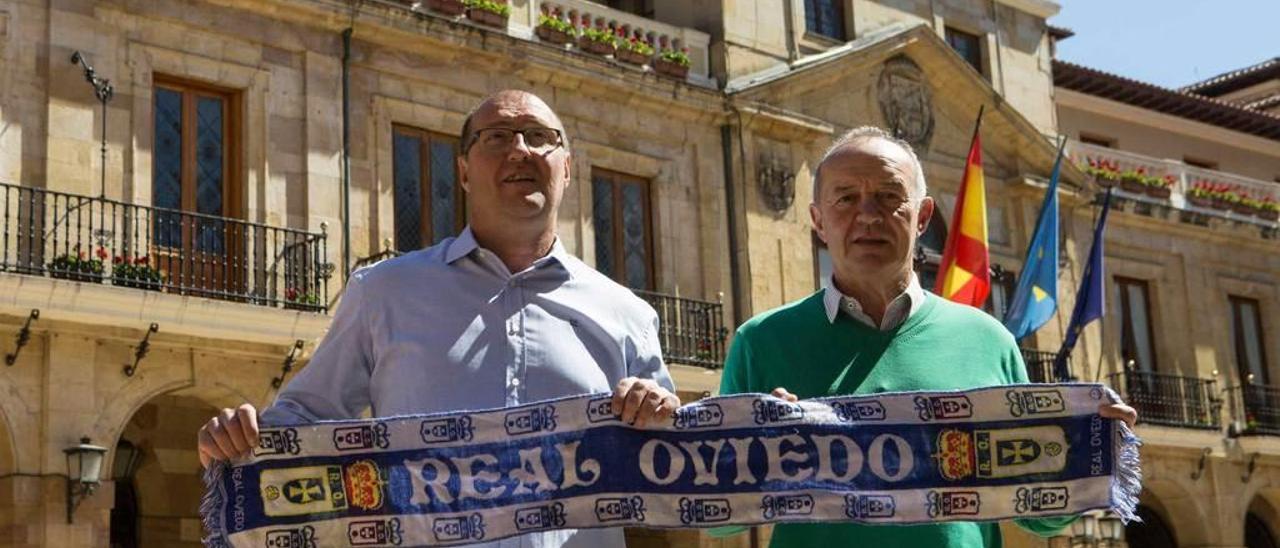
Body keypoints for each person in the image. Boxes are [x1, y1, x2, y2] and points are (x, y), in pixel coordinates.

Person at [197, 90, 680, 548]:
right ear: (465, 172)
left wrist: (660, 415)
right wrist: (239, 437)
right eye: (497, 137)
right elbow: (302, 419)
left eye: (540, 136)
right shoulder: (384, 291)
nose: (520, 149)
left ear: (568, 168)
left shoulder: (628, 315)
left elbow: (672, 466)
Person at [718, 127, 1138, 547]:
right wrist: (756, 456)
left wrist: (1093, 455)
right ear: (817, 221)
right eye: (845, 198)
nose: (868, 214)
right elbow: (720, 522)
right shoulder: (760, 341)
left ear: (922, 217)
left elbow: (1036, 517)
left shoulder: (990, 341)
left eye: (889, 196)